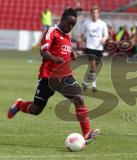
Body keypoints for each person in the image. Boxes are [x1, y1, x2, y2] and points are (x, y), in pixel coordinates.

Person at [7, 8, 100, 143]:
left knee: (79, 98)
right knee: (36, 109)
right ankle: (19, 105)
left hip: (65, 76)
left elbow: (65, 48)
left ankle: (86, 134)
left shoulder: (67, 35)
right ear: (62, 20)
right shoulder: (52, 32)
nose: (70, 27)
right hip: (48, 77)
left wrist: (72, 54)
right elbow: (43, 51)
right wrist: (54, 58)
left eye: (73, 25)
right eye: (68, 23)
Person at [80, 5, 108, 92]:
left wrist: (104, 39)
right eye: (93, 13)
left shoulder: (103, 24)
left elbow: (106, 35)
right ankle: (94, 85)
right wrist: (82, 42)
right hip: (89, 47)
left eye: (96, 13)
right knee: (93, 66)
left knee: (93, 68)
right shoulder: (86, 23)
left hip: (99, 48)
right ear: (90, 14)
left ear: (98, 14)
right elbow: (81, 35)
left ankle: (85, 82)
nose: (94, 14)